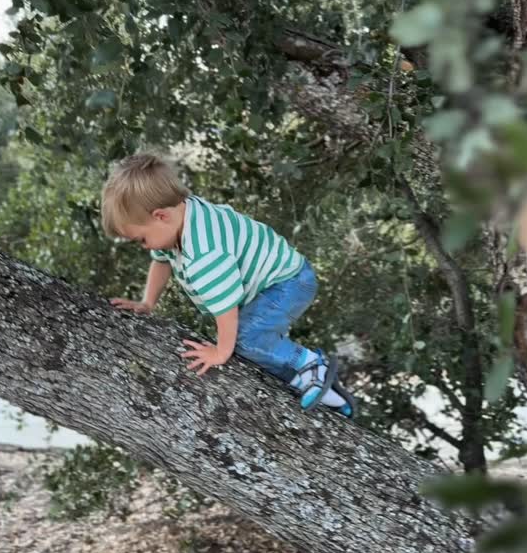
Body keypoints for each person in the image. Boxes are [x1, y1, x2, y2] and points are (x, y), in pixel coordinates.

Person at [101, 152, 355, 416]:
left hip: (288, 282)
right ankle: (331, 396)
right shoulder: (180, 214)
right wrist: (148, 302)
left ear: (161, 216)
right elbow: (161, 261)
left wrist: (221, 352)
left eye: (141, 239)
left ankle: (311, 365)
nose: (144, 246)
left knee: (244, 339)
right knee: (253, 346)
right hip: (277, 281)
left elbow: (226, 308)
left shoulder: (203, 254)